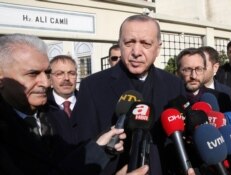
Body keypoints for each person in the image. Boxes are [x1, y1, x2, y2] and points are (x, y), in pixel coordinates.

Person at [72, 14, 197, 175]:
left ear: (158, 48)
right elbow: (84, 148)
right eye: (129, 42)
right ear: (120, 44)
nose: (136, 52)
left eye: (146, 43)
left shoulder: (174, 84)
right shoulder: (92, 86)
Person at [0, 33, 139, 175]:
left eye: (47, 73)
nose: (46, 83)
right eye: (33, 74)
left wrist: (100, 149)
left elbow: (67, 168)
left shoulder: (52, 114)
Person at [176, 47, 231, 112]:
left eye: (198, 69)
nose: (193, 76)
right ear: (178, 73)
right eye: (187, 70)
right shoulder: (169, 98)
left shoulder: (221, 99)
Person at [47, 55, 78, 144]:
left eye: (71, 73)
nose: (66, 78)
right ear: (50, 78)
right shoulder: (43, 108)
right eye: (59, 74)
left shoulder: (89, 103)